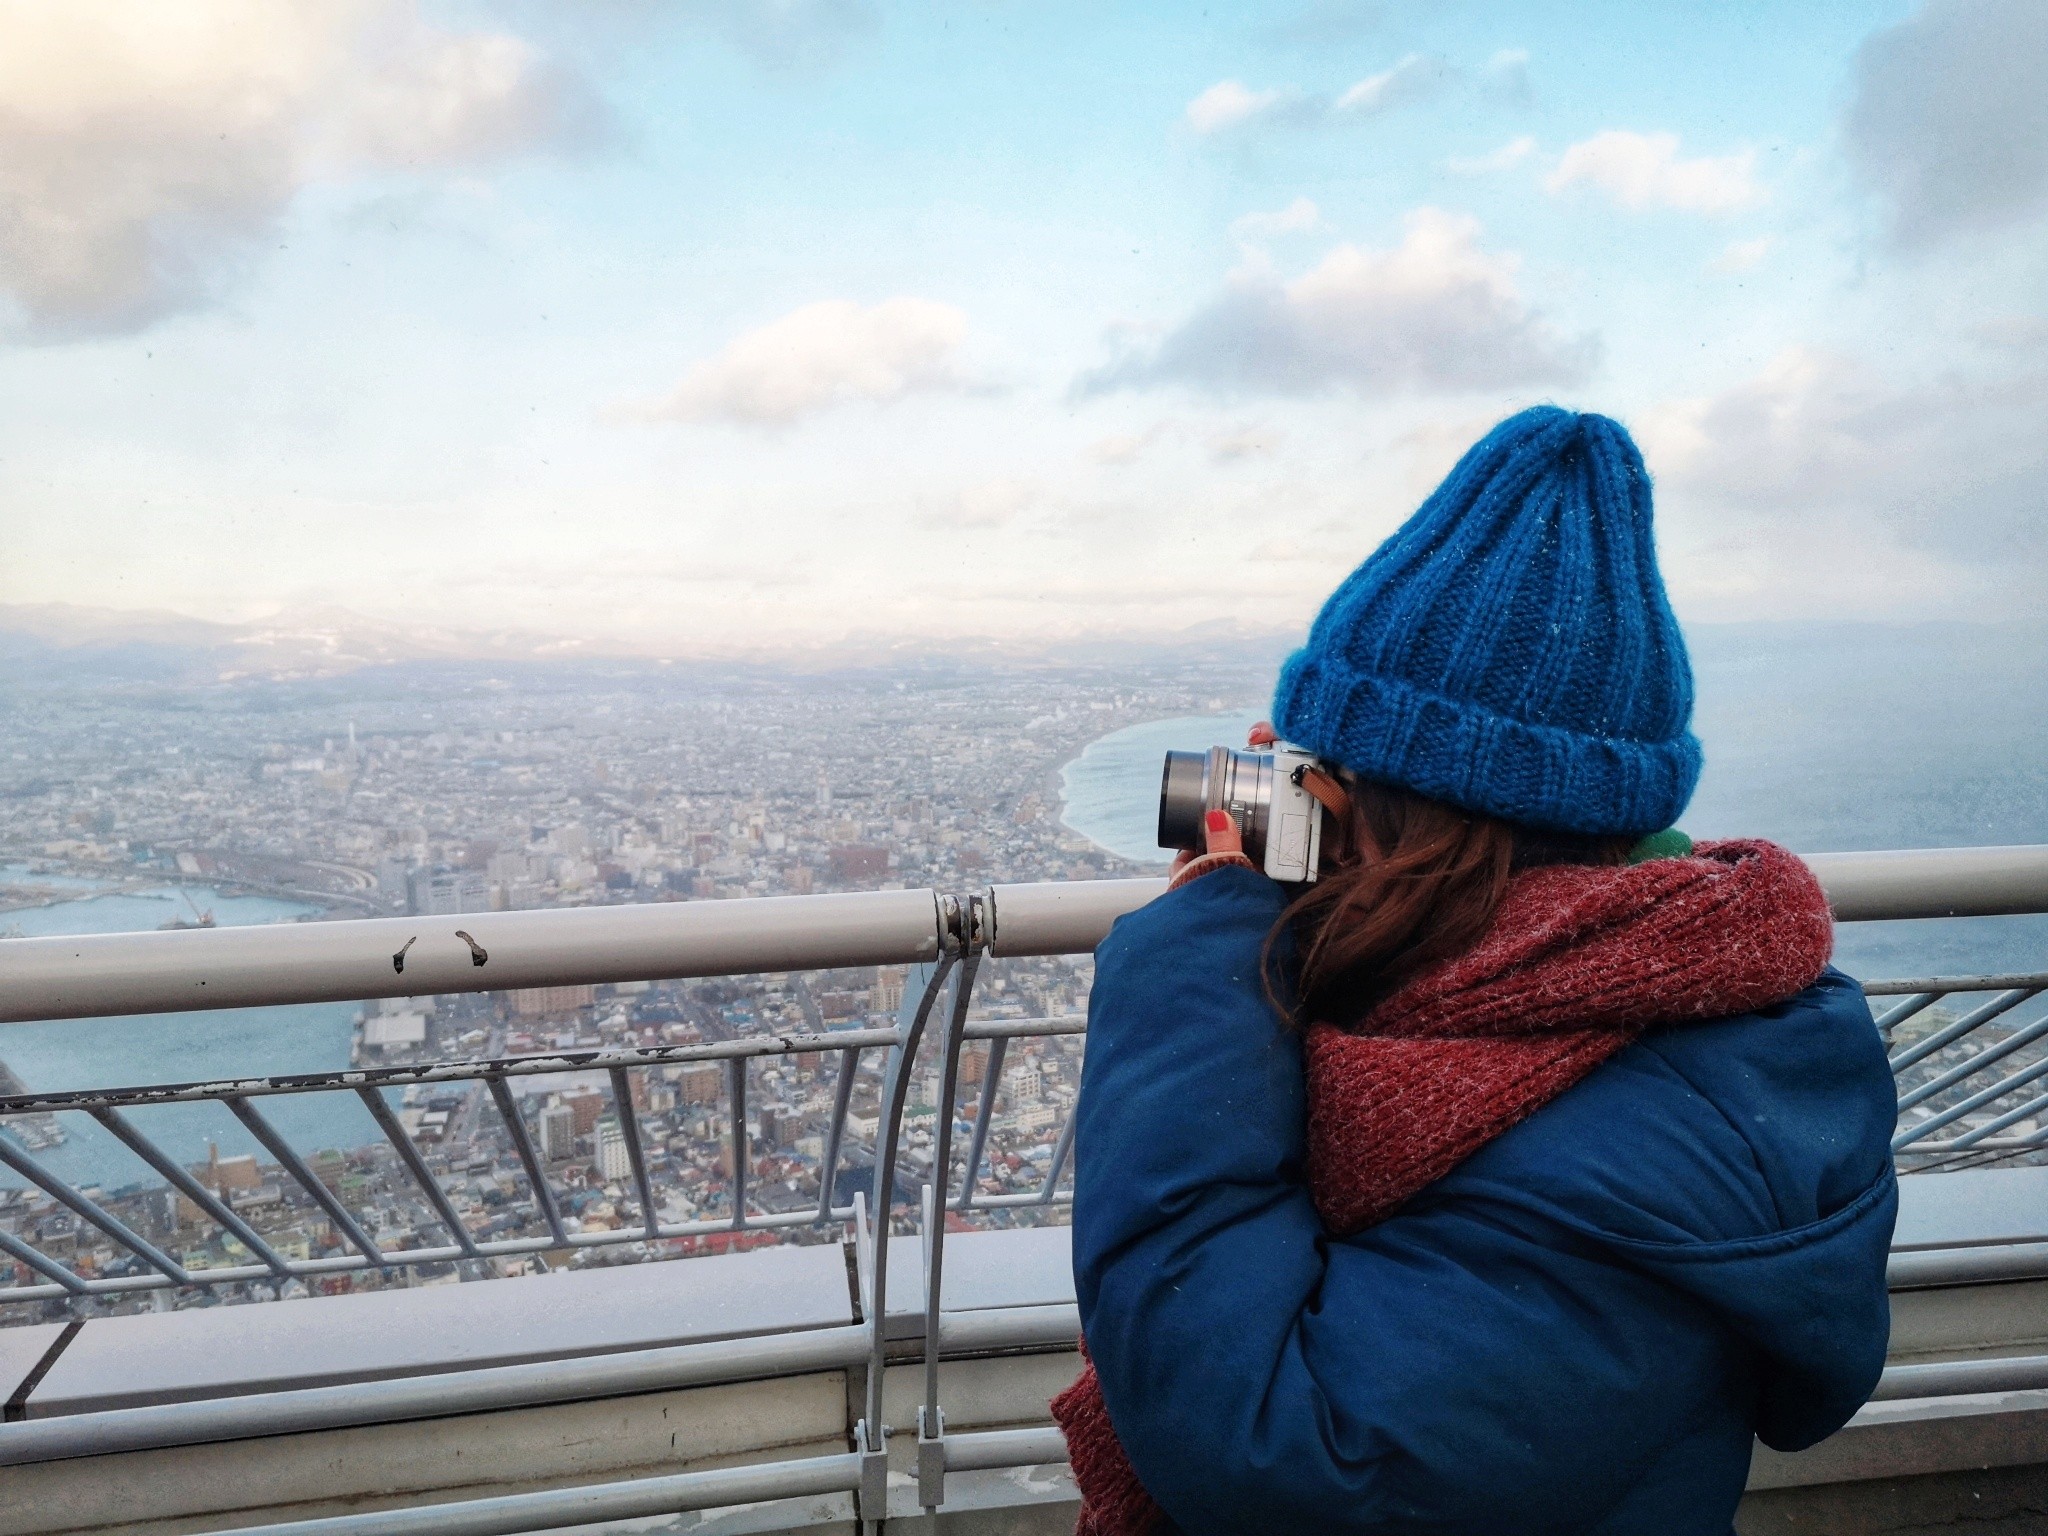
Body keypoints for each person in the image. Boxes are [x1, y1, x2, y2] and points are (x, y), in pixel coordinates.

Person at [1050, 407, 1899, 1536]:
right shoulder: (1666, 1008)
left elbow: (1278, 1453)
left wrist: (1198, 950)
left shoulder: (1630, 1135)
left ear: (1387, 817)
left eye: (1325, 781)